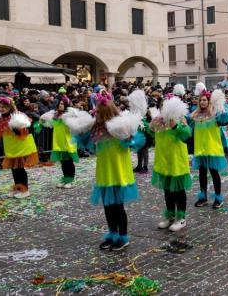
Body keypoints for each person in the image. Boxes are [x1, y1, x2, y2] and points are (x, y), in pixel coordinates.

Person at [75, 91, 144, 251]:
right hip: (104, 171)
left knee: (118, 207)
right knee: (108, 206)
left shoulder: (120, 126)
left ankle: (123, 236)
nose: (95, 113)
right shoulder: (96, 129)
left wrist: (128, 138)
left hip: (119, 171)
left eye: (98, 110)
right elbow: (85, 142)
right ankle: (112, 234)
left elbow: (133, 143)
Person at [150, 96, 192, 232]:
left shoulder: (180, 119)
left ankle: (181, 218)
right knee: (167, 190)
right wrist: (147, 125)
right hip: (164, 161)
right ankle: (170, 216)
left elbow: (187, 135)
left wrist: (177, 126)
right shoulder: (158, 121)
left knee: (178, 191)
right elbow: (150, 134)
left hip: (177, 162)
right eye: (162, 105)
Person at [0, 96, 37, 198]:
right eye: (0, 107)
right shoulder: (0, 118)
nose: (1, 108)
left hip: (20, 147)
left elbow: (27, 129)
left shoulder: (17, 116)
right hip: (11, 147)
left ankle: (25, 190)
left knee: (19, 169)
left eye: (4, 106)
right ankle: (18, 189)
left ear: (10, 106)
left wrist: (17, 129)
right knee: (14, 169)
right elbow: (0, 131)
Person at [191, 89, 228, 209]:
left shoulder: (215, 114)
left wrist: (221, 109)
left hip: (212, 149)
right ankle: (203, 197)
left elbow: (225, 121)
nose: (202, 102)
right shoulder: (195, 115)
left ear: (209, 101)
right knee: (202, 174)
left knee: (214, 173)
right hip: (200, 149)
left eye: (205, 100)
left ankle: (218, 198)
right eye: (200, 100)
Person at [40, 96, 79, 189]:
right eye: (59, 103)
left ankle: (70, 180)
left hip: (68, 141)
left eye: (62, 103)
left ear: (66, 105)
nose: (60, 105)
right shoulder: (55, 115)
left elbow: (74, 125)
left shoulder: (69, 114)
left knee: (68, 162)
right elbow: (46, 122)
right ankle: (65, 178)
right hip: (58, 142)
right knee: (63, 162)